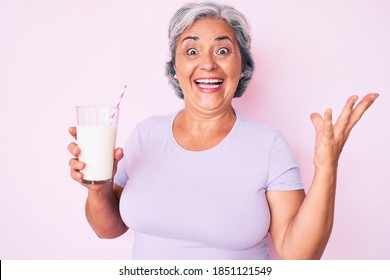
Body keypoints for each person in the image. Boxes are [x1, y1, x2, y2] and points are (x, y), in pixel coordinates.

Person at [68, 1, 379, 260]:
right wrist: (98, 188)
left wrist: (327, 167)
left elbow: (300, 253)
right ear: (174, 67)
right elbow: (107, 229)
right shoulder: (145, 135)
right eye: (191, 51)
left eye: (222, 51)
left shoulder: (268, 145)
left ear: (241, 65)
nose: (207, 63)